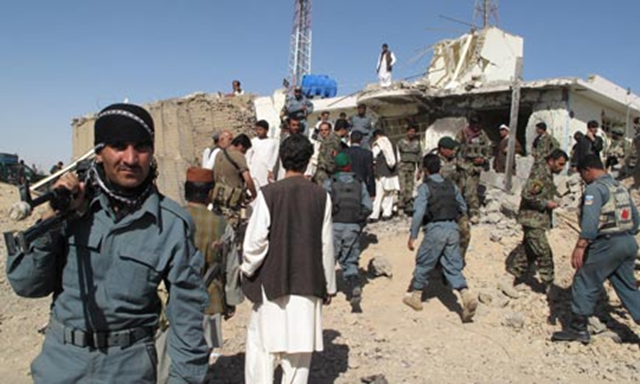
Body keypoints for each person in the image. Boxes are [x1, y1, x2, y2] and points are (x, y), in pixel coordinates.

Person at [6, 103, 209, 383]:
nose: (130, 158)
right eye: (118, 146)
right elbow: (26, 284)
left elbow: (188, 315)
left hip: (129, 371)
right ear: (99, 153)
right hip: (61, 368)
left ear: (151, 153)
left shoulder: (171, 224)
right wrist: (52, 215)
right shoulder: (72, 209)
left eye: (141, 147)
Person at [241, 134, 336, 384]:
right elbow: (326, 245)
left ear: (282, 160)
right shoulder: (321, 196)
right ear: (309, 162)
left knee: (262, 354)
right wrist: (329, 285)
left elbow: (254, 244)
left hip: (272, 286)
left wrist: (248, 270)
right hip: (308, 286)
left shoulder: (269, 194)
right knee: (297, 363)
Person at [552, 154, 640, 344]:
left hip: (608, 243)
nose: (583, 180)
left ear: (587, 170)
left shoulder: (595, 189)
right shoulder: (620, 187)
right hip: (628, 242)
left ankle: (578, 329)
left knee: (584, 279)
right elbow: (635, 220)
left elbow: (590, 223)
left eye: (582, 175)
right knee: (628, 287)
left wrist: (581, 246)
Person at [403, 154, 478, 323]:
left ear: (425, 170)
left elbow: (419, 213)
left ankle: (416, 297)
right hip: (453, 229)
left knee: (424, 261)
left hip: (435, 229)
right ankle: (466, 296)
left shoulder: (425, 188)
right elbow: (462, 206)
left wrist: (413, 235)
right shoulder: (450, 185)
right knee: (452, 265)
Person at [499, 149, 568, 298]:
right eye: (560, 164)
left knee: (528, 252)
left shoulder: (547, 174)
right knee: (543, 250)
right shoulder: (540, 173)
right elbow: (527, 194)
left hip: (537, 219)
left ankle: (508, 279)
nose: (561, 168)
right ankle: (549, 285)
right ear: (552, 160)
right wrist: (545, 203)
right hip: (531, 219)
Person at [183, 167, 231, 361]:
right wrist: (231, 301)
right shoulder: (220, 223)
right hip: (211, 298)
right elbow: (230, 265)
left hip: (177, 298)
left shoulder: (173, 218)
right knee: (206, 348)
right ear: (210, 193)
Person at [323, 153, 372, 309]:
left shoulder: (330, 182)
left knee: (329, 259)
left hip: (334, 225)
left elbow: (322, 205)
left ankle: (325, 291)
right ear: (349, 165)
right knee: (350, 259)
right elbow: (368, 207)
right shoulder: (359, 183)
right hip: (353, 226)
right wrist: (359, 222)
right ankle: (354, 288)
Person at [430, 137, 471, 262]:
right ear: (442, 149)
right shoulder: (433, 162)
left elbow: (464, 178)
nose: (453, 151)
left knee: (464, 233)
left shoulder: (456, 160)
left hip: (456, 204)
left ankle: (458, 260)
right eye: (450, 149)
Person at [456, 115, 492, 223]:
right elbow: (455, 148)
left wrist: (483, 159)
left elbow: (488, 149)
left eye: (478, 125)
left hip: (475, 168)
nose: (477, 127)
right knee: (460, 189)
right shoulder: (462, 133)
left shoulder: (482, 135)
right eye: (474, 125)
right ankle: (460, 212)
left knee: (471, 191)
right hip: (462, 166)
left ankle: (473, 213)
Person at [211, 134, 257, 214]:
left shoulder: (219, 154)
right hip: (232, 201)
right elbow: (247, 178)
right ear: (240, 145)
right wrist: (254, 194)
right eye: (244, 150)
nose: (245, 153)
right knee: (234, 223)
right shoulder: (238, 156)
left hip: (217, 198)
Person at [369, 130, 400, 221]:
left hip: (381, 173)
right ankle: (387, 213)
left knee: (379, 195)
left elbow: (373, 156)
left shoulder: (378, 143)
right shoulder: (393, 143)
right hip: (392, 173)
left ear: (377, 136)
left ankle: (374, 215)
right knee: (389, 194)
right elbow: (398, 158)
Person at [397, 125, 422, 214]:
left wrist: (419, 170)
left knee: (410, 188)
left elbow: (420, 157)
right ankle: (400, 205)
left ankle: (408, 205)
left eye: (413, 131)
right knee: (402, 187)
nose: (412, 133)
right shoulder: (401, 142)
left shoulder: (417, 143)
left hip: (412, 167)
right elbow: (397, 154)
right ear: (407, 132)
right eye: (410, 131)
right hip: (402, 167)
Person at [246, 120, 279, 189]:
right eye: (257, 130)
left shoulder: (273, 142)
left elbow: (274, 157)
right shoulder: (253, 141)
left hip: (266, 171)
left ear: (266, 130)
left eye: (260, 130)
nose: (258, 132)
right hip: (254, 170)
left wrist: (270, 170)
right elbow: (248, 156)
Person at [347, 131, 375, 198]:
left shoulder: (344, 152)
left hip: (346, 185)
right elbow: (370, 174)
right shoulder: (367, 154)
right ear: (361, 140)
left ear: (350, 140)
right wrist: (372, 192)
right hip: (362, 184)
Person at [314, 121, 342, 185]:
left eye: (326, 130)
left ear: (330, 130)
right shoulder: (317, 143)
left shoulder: (333, 142)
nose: (323, 132)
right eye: (321, 130)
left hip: (329, 173)